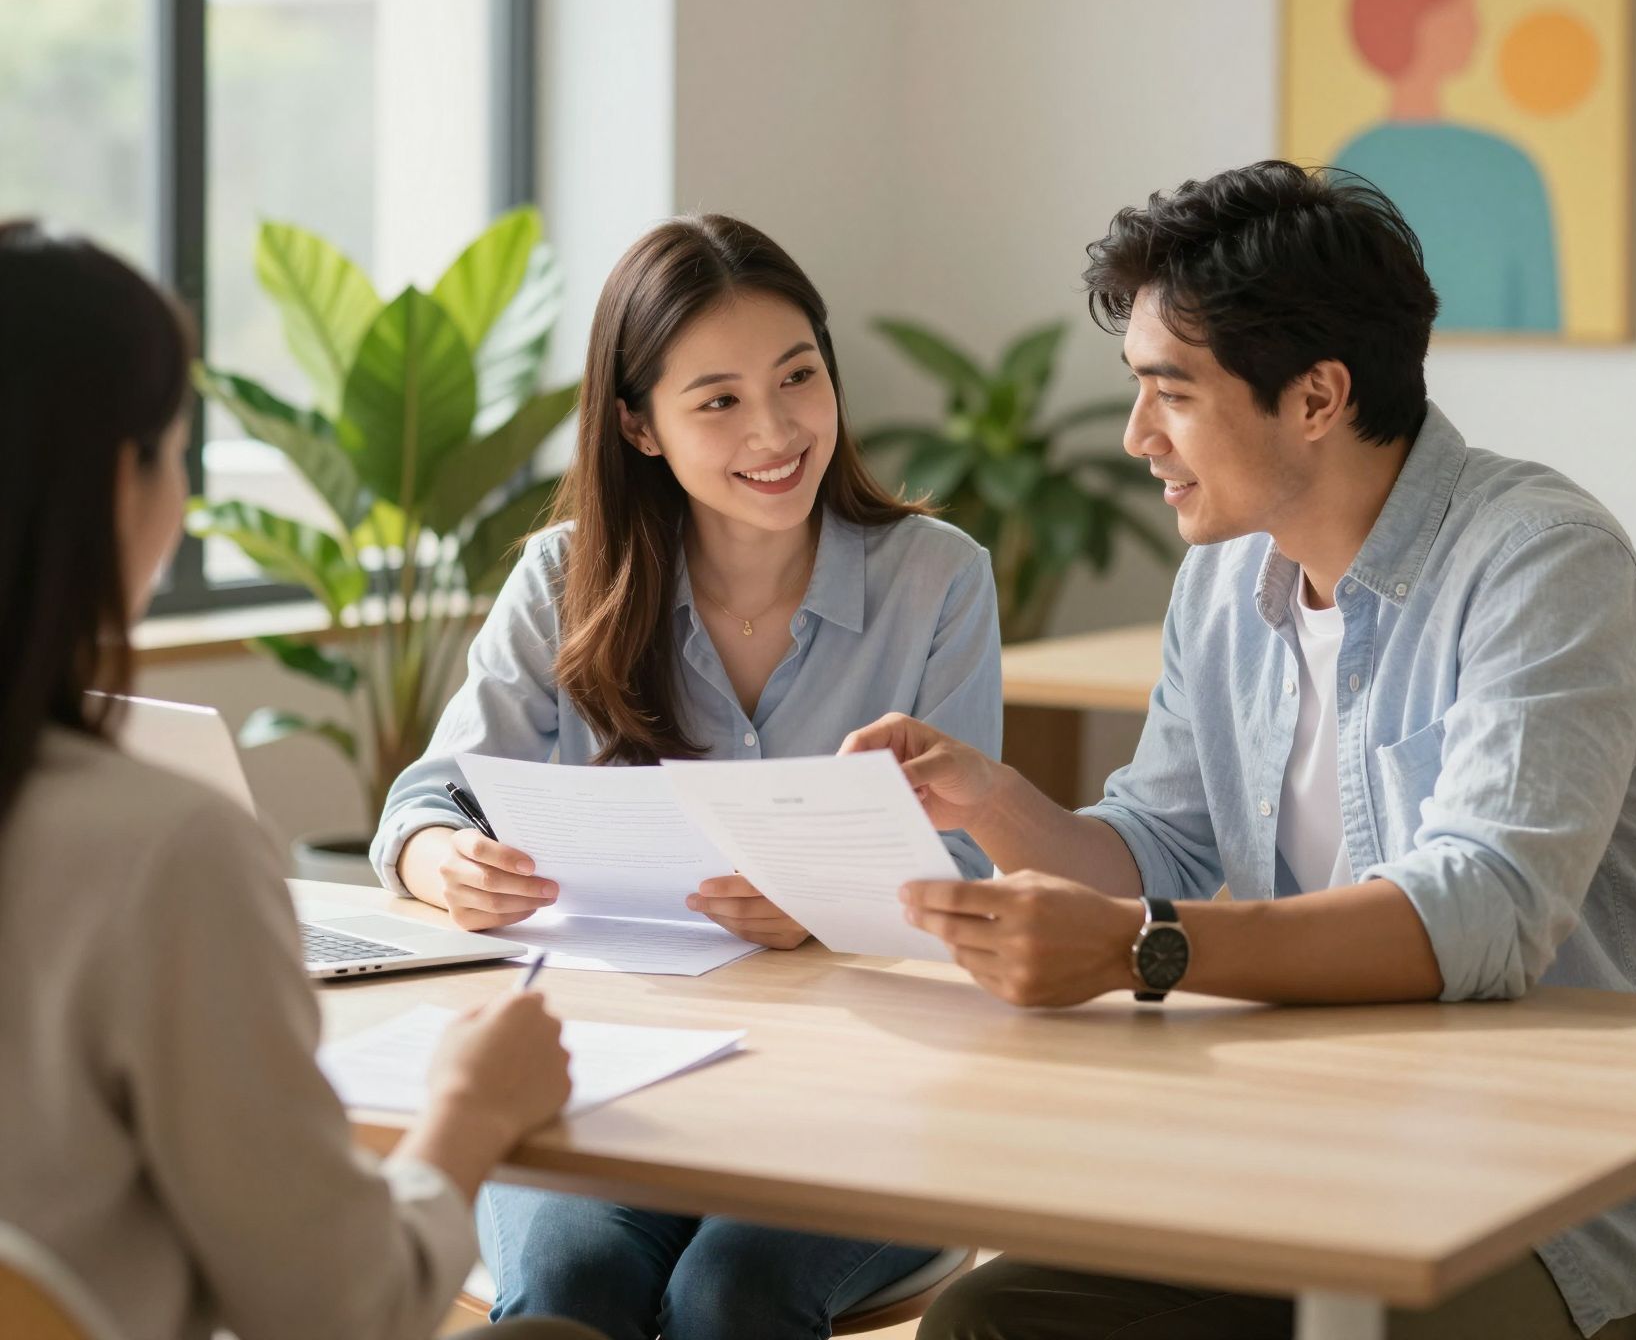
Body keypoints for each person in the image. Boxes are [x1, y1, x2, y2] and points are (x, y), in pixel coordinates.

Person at [842, 163, 1636, 1340]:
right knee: (987, 1320)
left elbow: (1485, 911)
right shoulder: (1222, 577)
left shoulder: (1542, 562)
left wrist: (1142, 948)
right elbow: (1160, 843)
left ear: (1315, 397)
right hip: (1311, 1154)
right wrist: (991, 801)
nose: (1137, 436)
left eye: (1172, 394)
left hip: (1547, 1200)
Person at [371, 214, 1002, 1339]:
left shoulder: (936, 580)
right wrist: (445, 862)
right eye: (716, 400)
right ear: (638, 426)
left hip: (859, 1097)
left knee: (731, 1296)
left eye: (798, 376)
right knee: (570, 1282)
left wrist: (817, 904)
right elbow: (424, 804)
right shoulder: (561, 580)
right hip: (614, 1083)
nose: (775, 428)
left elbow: (960, 866)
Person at [0, 221, 593, 1340]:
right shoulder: (159, 850)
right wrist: (471, 1113)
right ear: (116, 486)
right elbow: (342, 1311)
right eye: (176, 449)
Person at [1332, 0, 1562, 333]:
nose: (1476, 26)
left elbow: (1541, 314)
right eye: (1462, 11)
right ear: (1415, 21)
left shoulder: (1510, 165)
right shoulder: (1356, 165)